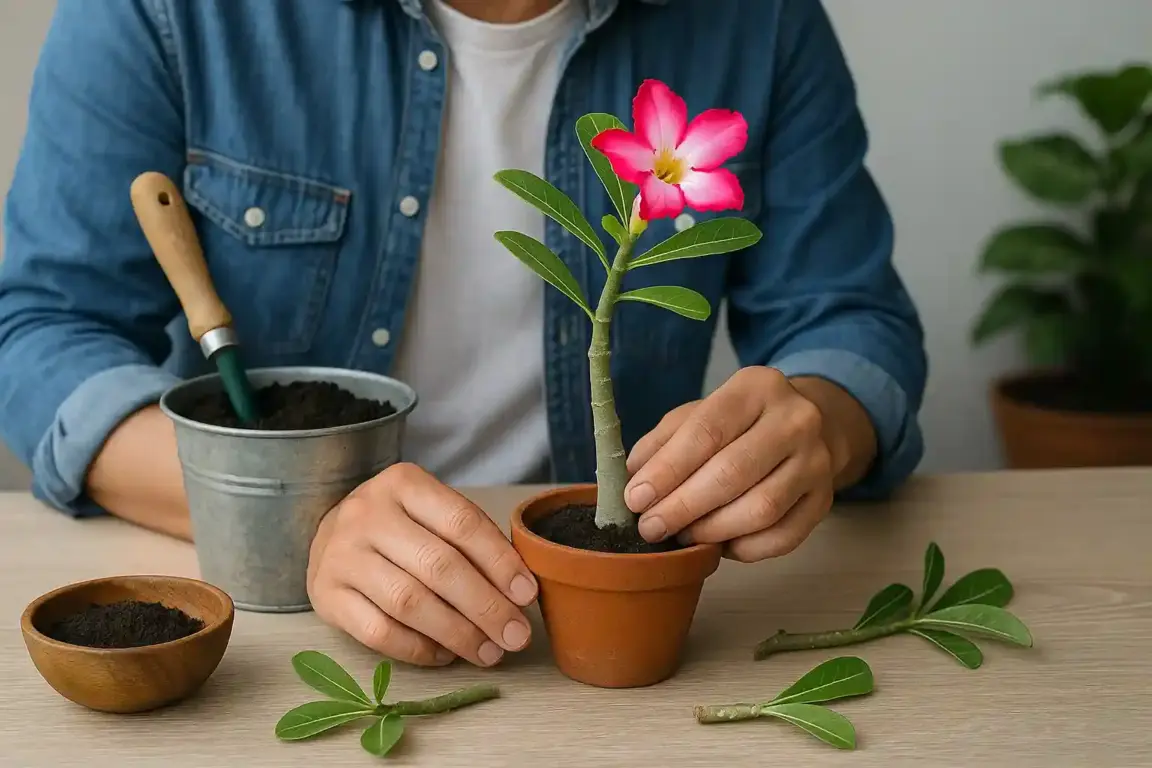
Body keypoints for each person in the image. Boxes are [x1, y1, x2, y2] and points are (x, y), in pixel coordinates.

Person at [0, 0, 927, 670]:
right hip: (273, 632)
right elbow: (39, 334)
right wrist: (302, 514)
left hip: (618, 629)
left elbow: (851, 322)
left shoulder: (759, 21)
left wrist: (818, 422)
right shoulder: (169, 11)